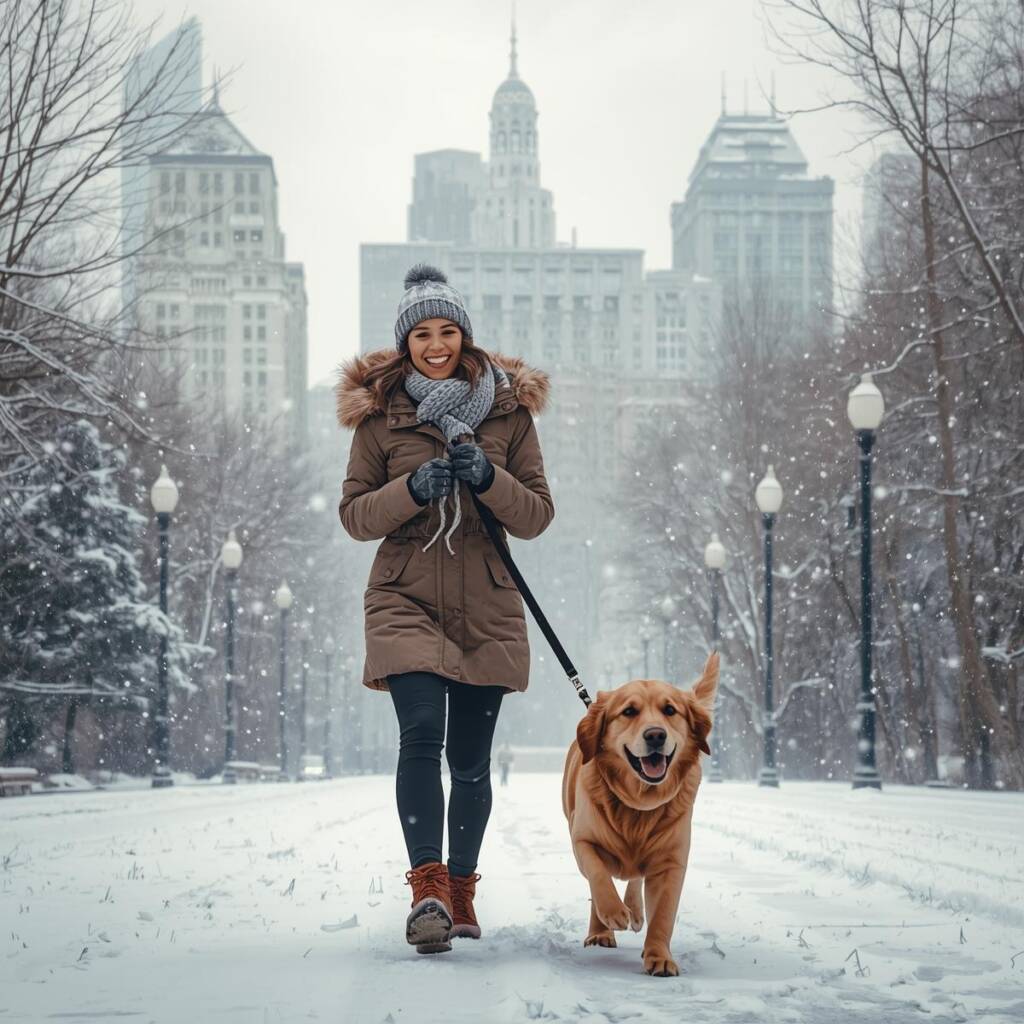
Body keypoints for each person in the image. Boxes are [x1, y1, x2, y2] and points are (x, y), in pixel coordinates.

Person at [336, 265, 553, 955]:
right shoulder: (380, 418)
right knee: (421, 734)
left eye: (448, 330)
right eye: (422, 334)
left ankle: (462, 889)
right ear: (406, 344)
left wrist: (489, 479)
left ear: (465, 335)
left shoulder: (510, 414)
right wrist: (410, 488)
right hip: (404, 597)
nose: (436, 345)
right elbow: (354, 516)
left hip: (486, 601)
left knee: (468, 758)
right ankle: (427, 888)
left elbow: (539, 515)